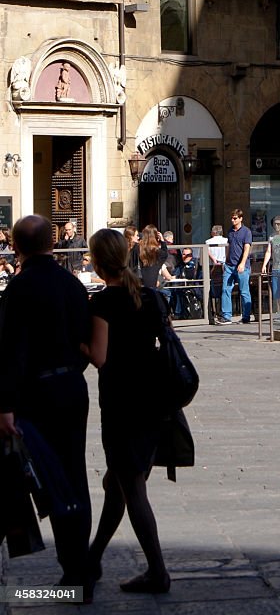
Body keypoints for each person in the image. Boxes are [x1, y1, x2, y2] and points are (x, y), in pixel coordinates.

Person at [0, 215, 92, 595]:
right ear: (52, 245)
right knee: (74, 474)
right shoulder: (71, 285)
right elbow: (85, 340)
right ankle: (78, 567)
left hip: (34, 395)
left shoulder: (17, 290)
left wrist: (5, 404)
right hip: (71, 386)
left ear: (17, 248)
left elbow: (9, 353)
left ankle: (70, 567)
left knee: (45, 478)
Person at [85, 228, 170, 595]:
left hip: (121, 404)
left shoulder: (104, 302)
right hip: (153, 400)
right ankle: (93, 558)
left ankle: (157, 571)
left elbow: (100, 358)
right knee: (116, 483)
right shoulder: (149, 297)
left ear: (99, 262)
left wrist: (77, 342)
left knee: (130, 487)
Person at [221, 209, 252, 325]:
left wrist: (243, 263)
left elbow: (247, 249)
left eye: (235, 218)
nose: (233, 220)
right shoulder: (230, 231)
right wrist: (226, 260)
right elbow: (229, 247)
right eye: (232, 218)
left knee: (244, 291)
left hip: (242, 266)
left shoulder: (246, 232)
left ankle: (246, 316)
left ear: (240, 218)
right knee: (225, 289)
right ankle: (226, 316)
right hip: (229, 265)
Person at [261, 216, 280, 321]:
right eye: (275, 224)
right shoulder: (272, 236)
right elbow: (269, 251)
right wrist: (264, 265)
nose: (276, 226)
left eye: (279, 223)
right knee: (277, 291)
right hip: (275, 268)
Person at [206, 225, 227, 323]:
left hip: (212, 269)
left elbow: (206, 252)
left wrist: (214, 260)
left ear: (213, 232)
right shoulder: (226, 241)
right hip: (224, 267)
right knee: (224, 289)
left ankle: (214, 313)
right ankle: (223, 312)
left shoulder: (208, 242)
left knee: (213, 291)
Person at [137, 224, 169, 290]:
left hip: (140, 284)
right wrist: (162, 241)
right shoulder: (157, 251)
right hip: (152, 284)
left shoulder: (138, 249)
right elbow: (165, 254)